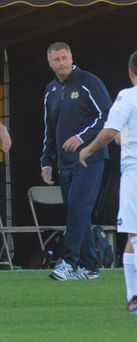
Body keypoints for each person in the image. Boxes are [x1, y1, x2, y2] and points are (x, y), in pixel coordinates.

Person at [43, 42, 112, 281]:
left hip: (90, 157)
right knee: (75, 211)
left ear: (72, 57)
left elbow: (107, 115)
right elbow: (49, 130)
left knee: (78, 208)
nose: (61, 63)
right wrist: (46, 161)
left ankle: (69, 262)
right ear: (50, 63)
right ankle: (90, 267)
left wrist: (81, 137)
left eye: (64, 58)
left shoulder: (88, 81)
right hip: (64, 161)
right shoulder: (50, 90)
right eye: (56, 60)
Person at [78, 50, 137, 312]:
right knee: (133, 235)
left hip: (134, 171)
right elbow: (119, 135)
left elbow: (110, 132)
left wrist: (88, 150)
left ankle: (134, 297)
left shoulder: (127, 96)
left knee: (135, 234)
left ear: (130, 72)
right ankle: (133, 297)